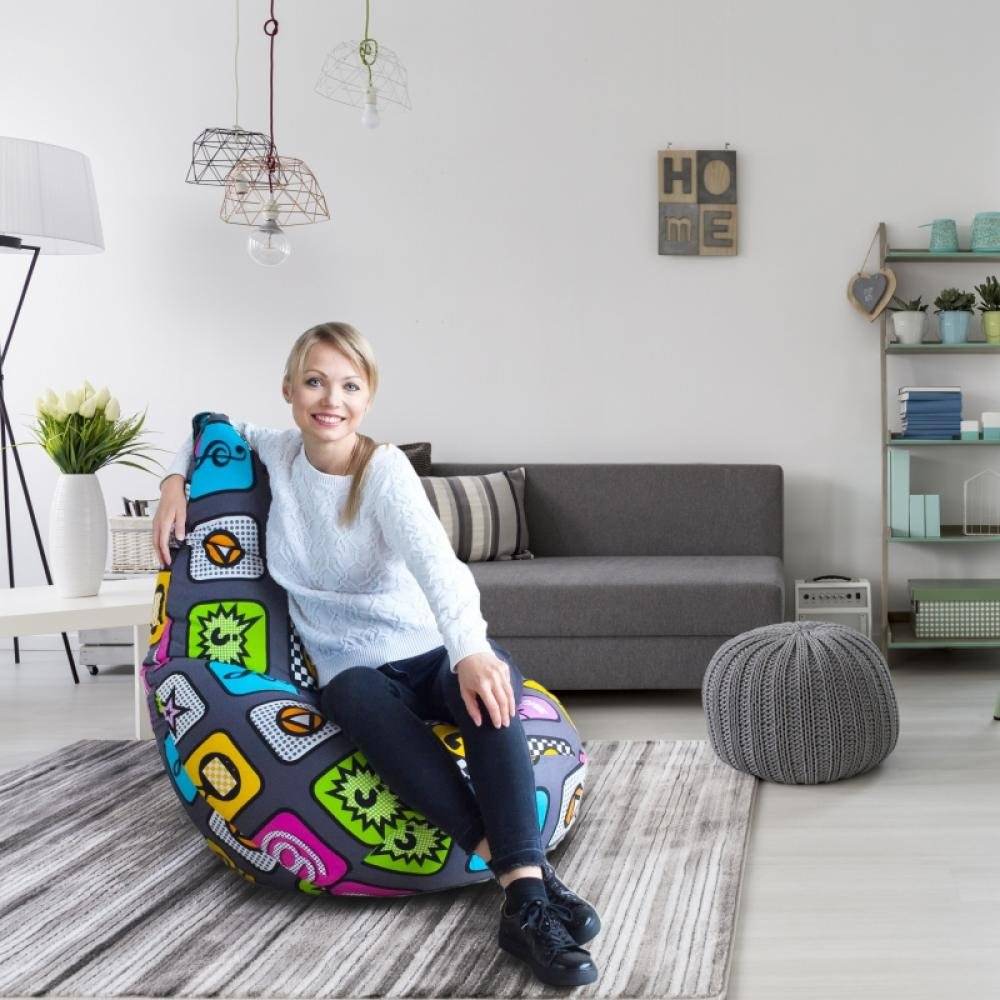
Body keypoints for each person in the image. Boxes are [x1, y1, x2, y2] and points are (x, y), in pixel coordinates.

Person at [153, 322, 601, 988]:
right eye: (314, 382)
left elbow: (440, 567)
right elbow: (207, 427)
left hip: (430, 649)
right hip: (353, 669)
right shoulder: (277, 452)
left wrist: (471, 651)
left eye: (349, 386)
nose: (330, 400)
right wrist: (171, 482)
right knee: (359, 701)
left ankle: (525, 899)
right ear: (288, 389)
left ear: (368, 397)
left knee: (493, 690)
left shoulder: (384, 471)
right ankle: (530, 887)